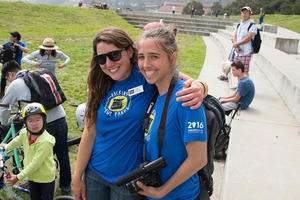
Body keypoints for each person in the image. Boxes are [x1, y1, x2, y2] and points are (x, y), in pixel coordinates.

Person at [73, 27, 208, 200]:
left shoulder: (146, 74)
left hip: (130, 178)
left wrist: (202, 87)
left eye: (114, 55)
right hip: (95, 173)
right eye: (101, 59)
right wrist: (77, 176)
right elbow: (90, 132)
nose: (108, 64)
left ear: (129, 52)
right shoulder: (99, 83)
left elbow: (187, 83)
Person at [136, 27, 207, 200]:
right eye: (141, 57)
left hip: (180, 196)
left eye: (154, 56)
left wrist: (162, 191)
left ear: (172, 58)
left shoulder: (186, 97)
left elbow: (198, 159)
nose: (146, 65)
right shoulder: (154, 90)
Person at [0, 60, 71, 195]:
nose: (8, 82)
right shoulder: (37, 74)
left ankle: (36, 182)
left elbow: (4, 108)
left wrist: (3, 124)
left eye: (7, 79)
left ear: (10, 74)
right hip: (61, 117)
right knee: (62, 153)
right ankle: (66, 187)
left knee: (37, 157)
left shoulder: (16, 84)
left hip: (41, 124)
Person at [1, 103, 56, 200]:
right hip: (32, 176)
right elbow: (17, 141)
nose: (34, 123)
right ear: (25, 123)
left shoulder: (45, 141)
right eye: (30, 120)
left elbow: (35, 164)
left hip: (45, 178)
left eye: (38, 120)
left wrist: (18, 177)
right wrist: (7, 147)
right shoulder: (25, 133)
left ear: (43, 120)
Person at [233, 6, 257, 76]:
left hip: (246, 52)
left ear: (250, 14)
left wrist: (237, 44)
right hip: (237, 52)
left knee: (244, 71)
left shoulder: (252, 25)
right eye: (243, 13)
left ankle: (246, 86)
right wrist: (236, 46)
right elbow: (235, 36)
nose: (244, 14)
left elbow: (248, 38)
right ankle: (239, 86)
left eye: (246, 13)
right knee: (237, 71)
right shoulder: (239, 25)